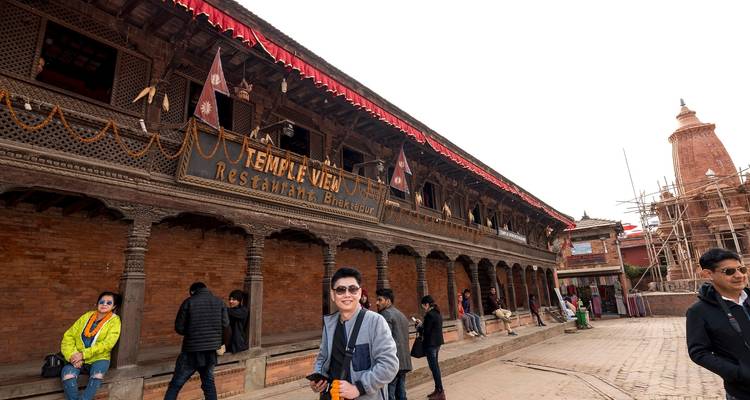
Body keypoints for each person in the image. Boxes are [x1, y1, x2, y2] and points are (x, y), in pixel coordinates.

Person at [310, 268, 398, 400]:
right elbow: (323, 357)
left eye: (352, 289)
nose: (347, 294)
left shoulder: (375, 321)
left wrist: (359, 388)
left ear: (360, 293)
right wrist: (318, 376)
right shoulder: (330, 324)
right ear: (333, 295)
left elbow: (389, 365)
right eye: (340, 290)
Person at [686, 248, 750, 400]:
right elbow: (699, 352)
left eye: (742, 269)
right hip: (743, 392)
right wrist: (739, 373)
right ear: (708, 274)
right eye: (729, 271)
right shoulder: (698, 311)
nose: (739, 275)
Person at [165, 282, 229, 400]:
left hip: (191, 350)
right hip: (210, 351)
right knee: (209, 384)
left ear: (192, 292)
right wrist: (219, 342)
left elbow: (179, 327)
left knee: (176, 384)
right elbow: (226, 325)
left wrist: (192, 333)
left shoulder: (188, 302)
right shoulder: (220, 302)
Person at [60, 292, 121, 400]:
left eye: (109, 303)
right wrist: (73, 356)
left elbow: (108, 344)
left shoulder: (114, 321)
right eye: (101, 302)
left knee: (97, 375)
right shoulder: (87, 316)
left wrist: (83, 354)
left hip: (99, 359)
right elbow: (68, 336)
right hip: (77, 357)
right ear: (97, 303)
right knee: (67, 375)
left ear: (114, 306)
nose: (104, 304)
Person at [375, 288, 412, 400]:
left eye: (380, 300)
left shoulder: (385, 314)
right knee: (401, 392)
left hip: (393, 361)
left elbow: (385, 340)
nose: (377, 303)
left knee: (390, 394)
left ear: (388, 301)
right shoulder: (401, 315)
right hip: (404, 360)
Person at [416, 295, 445, 400]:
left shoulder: (429, 315)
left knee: (434, 368)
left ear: (427, 304)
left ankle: (440, 392)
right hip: (437, 344)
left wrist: (419, 326)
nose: (424, 308)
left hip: (431, 345)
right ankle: (438, 390)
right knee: (435, 367)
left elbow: (426, 331)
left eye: (423, 306)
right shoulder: (437, 313)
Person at [226, 289, 249, 353]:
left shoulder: (243, 311)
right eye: (230, 299)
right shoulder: (230, 311)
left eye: (233, 300)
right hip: (228, 342)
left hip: (237, 343)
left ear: (239, 301)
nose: (230, 301)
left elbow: (234, 313)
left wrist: (222, 307)